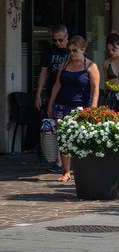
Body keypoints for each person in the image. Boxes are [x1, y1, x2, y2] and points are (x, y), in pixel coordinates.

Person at [47, 35, 101, 182]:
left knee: (82, 138)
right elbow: (57, 85)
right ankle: (66, 172)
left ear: (83, 49)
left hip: (81, 107)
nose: (71, 53)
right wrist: (51, 104)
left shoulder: (90, 66)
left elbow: (95, 88)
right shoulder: (64, 64)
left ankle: (85, 169)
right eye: (69, 51)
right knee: (63, 139)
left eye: (75, 51)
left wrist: (93, 107)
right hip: (62, 105)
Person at [35, 25, 70, 172]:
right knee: (56, 126)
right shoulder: (49, 51)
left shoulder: (73, 51)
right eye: (54, 40)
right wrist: (38, 94)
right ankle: (59, 161)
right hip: (53, 93)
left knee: (69, 126)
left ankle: (69, 160)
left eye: (60, 40)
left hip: (69, 93)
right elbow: (43, 73)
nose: (58, 43)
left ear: (67, 37)